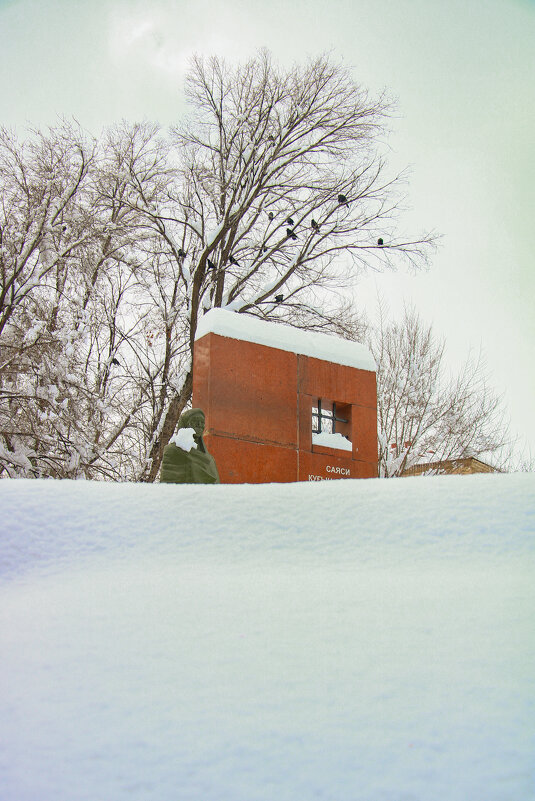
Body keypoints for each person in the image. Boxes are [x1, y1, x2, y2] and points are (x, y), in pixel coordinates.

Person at [159, 408, 220, 484]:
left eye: (202, 422)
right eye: (195, 421)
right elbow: (168, 484)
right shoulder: (173, 450)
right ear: (185, 424)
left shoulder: (210, 459)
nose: (200, 425)